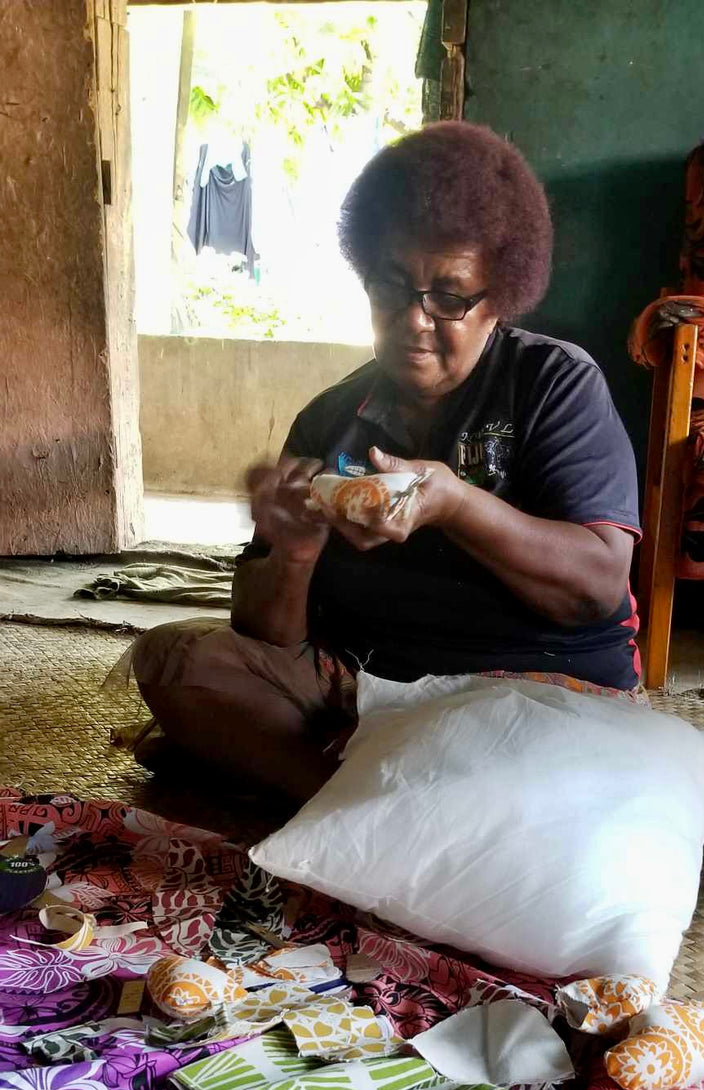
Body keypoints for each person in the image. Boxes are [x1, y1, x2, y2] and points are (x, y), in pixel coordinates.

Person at [132, 121, 641, 804]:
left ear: (500, 298)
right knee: (172, 663)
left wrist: (454, 503)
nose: (414, 319)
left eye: (450, 296)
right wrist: (293, 552)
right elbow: (265, 637)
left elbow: (596, 587)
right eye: (392, 286)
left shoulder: (554, 384)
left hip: (530, 692)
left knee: (539, 762)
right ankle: (360, 807)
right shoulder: (329, 418)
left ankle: (349, 795)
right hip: (365, 689)